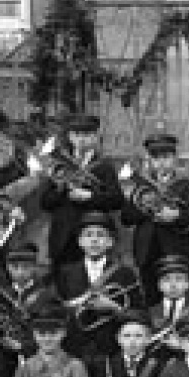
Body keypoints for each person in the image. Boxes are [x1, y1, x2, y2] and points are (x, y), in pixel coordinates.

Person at [121, 134, 189, 301]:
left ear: (175, 159)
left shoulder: (184, 184)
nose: (161, 162)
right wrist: (146, 207)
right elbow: (126, 218)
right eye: (156, 158)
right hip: (146, 250)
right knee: (150, 294)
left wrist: (176, 215)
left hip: (176, 248)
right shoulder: (141, 185)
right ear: (150, 161)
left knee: (179, 295)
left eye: (166, 157)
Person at [37, 112, 125, 267]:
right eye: (77, 134)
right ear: (70, 137)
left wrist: (89, 196)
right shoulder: (58, 166)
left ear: (95, 137)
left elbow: (117, 200)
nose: (82, 139)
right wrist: (61, 187)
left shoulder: (105, 167)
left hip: (94, 238)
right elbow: (45, 203)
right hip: (62, 239)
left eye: (87, 134)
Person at [54, 211, 144, 359]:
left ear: (110, 242)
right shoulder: (65, 272)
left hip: (112, 348)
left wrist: (114, 307)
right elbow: (57, 310)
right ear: (80, 241)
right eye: (88, 235)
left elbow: (140, 315)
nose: (94, 240)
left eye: (100, 235)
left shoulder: (125, 273)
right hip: (75, 347)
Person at [147, 254, 189, 355]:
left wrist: (183, 346)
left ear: (188, 284)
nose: (173, 285)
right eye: (167, 279)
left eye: (179, 279)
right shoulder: (149, 313)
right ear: (159, 285)